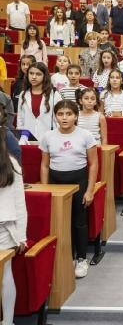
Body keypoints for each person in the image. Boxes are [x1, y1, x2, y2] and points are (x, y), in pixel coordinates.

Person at [40, 100, 98, 278]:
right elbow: (44, 165)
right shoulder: (48, 136)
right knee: (59, 222)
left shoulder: (86, 135)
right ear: (55, 117)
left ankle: (81, 258)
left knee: (79, 221)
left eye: (68, 114)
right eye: (60, 114)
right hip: (56, 181)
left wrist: (89, 190)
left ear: (75, 116)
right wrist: (45, 189)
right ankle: (66, 257)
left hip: (79, 181)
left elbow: (93, 164)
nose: (64, 118)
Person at [0, 125, 27, 325]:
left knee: (5, 273)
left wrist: (22, 236)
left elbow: (20, 203)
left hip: (4, 227)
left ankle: (8, 322)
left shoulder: (11, 164)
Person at [17, 62, 63, 143]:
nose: (34, 77)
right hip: (27, 140)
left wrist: (58, 139)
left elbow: (59, 119)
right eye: (31, 73)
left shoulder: (55, 95)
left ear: (44, 76)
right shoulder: (23, 94)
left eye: (38, 74)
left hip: (49, 140)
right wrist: (23, 139)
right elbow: (20, 120)